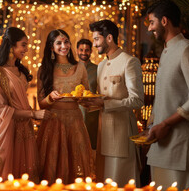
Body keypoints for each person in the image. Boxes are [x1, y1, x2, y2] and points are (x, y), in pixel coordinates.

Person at [146, 0, 189, 191]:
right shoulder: (166, 51)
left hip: (180, 148)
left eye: (151, 22)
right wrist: (152, 125)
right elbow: (166, 97)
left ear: (164, 21)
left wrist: (166, 124)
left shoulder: (187, 49)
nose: (150, 28)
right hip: (159, 144)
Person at [0, 27, 50, 182]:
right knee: (5, 175)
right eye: (23, 45)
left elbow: (21, 101)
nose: (26, 49)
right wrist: (33, 114)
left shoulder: (21, 71)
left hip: (24, 129)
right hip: (5, 131)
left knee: (25, 176)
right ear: (11, 46)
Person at [82, 19, 144, 187]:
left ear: (109, 38)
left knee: (121, 182)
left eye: (96, 39)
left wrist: (105, 105)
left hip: (121, 134)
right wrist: (91, 104)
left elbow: (137, 100)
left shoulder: (129, 62)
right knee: (103, 181)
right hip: (103, 134)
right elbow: (104, 98)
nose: (94, 44)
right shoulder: (101, 65)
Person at [37, 29, 94, 184]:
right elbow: (40, 103)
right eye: (59, 43)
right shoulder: (44, 70)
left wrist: (85, 100)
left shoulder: (80, 67)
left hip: (75, 121)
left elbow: (86, 94)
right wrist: (50, 98)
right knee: (53, 168)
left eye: (66, 41)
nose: (64, 45)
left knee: (76, 166)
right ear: (51, 47)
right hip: (53, 122)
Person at [76, 39, 98, 150]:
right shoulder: (71, 69)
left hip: (92, 116)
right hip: (74, 114)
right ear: (76, 51)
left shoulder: (97, 69)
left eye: (87, 50)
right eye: (81, 50)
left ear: (91, 51)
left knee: (91, 148)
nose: (84, 52)